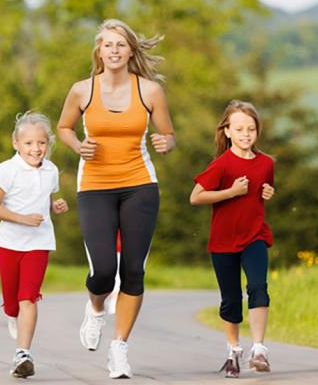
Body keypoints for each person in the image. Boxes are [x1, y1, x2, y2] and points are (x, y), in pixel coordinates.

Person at [57, 19, 175, 379]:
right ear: (99, 51)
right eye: (108, 44)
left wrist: (165, 143)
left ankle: (119, 348)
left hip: (140, 184)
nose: (114, 50)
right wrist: (79, 145)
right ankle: (95, 310)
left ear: (130, 51)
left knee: (134, 271)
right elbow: (64, 127)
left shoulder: (150, 91)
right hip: (94, 185)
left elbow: (168, 134)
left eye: (121, 44)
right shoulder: (82, 90)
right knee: (104, 271)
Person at [189, 100, 275, 378]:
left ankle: (259, 349)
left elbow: (265, 189)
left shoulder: (266, 163)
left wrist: (268, 194)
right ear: (226, 131)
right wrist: (230, 192)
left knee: (258, 287)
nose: (246, 134)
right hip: (224, 241)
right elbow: (196, 196)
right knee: (230, 300)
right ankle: (233, 351)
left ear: (257, 131)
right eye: (239, 129)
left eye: (251, 129)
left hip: (255, 236)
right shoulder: (222, 164)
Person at [0, 111, 69, 378]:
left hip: (39, 241)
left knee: (28, 298)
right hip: (10, 242)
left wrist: (56, 206)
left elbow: (47, 200)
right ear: (16, 144)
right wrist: (21, 219)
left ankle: (23, 354)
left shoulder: (51, 170)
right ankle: (12, 316)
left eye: (41, 143)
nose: (36, 149)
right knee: (12, 303)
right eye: (29, 143)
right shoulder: (7, 169)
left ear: (48, 144)